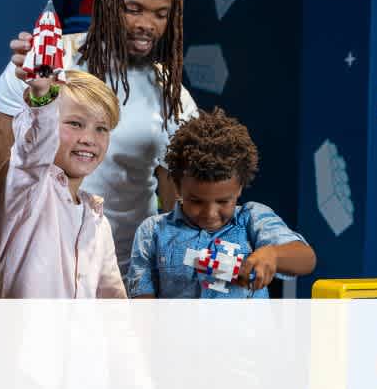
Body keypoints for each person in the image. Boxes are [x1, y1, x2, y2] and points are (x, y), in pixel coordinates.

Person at [0, 0, 199, 277]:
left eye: (160, 14)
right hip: (31, 270)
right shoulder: (46, 63)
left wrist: (169, 276)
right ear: (106, 4)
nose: (148, 24)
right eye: (133, 8)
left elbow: (173, 195)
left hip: (122, 274)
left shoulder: (172, 95)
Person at [125, 108, 316, 298]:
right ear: (177, 185)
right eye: (196, 201)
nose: (210, 213)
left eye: (223, 201)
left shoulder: (252, 219)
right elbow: (143, 304)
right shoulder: (153, 232)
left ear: (240, 187)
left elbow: (306, 259)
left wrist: (273, 255)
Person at [0, 69, 126, 298]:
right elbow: (33, 146)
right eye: (75, 124)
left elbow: (113, 304)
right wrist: (42, 98)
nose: (89, 139)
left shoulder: (99, 221)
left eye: (101, 128)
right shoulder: (27, 184)